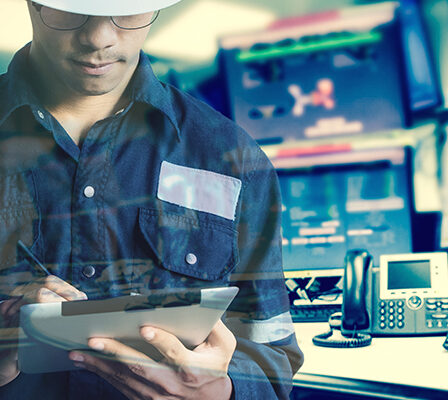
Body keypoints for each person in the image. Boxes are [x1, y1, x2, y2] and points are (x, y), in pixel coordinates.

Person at [0, 0, 304, 398]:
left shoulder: (232, 158)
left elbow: (272, 353)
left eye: (127, 9)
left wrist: (223, 391)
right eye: (70, 9)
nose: (99, 38)